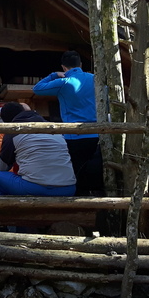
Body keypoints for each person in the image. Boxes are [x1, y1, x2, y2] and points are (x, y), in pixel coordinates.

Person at [32, 50, 102, 194]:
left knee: (77, 171)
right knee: (97, 169)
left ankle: (80, 199)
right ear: (80, 64)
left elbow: (37, 89)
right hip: (97, 133)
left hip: (74, 135)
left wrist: (54, 75)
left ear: (64, 67)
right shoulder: (95, 79)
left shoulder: (64, 82)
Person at [0, 102, 75, 196]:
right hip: (68, 188)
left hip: (35, 187)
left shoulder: (12, 132)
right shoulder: (54, 128)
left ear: (7, 122)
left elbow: (3, 167)